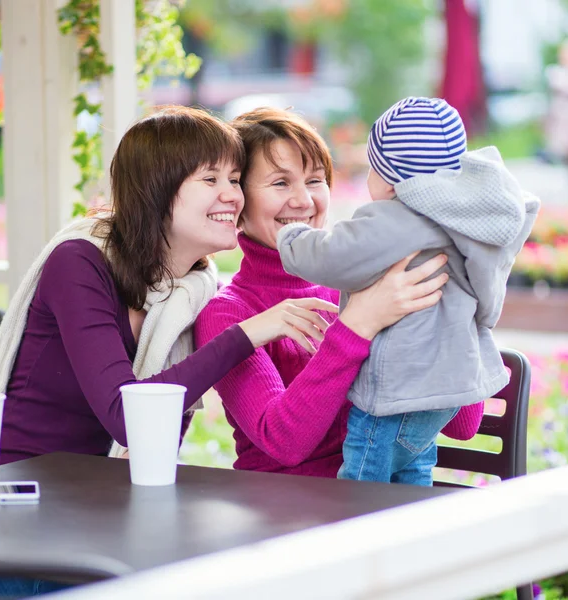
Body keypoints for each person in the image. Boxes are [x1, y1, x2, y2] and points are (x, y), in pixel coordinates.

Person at [0, 106, 339, 598]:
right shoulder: (79, 262)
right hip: (13, 514)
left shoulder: (194, 291)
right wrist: (247, 334)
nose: (231, 194)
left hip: (102, 512)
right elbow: (130, 418)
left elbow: (163, 440)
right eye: (211, 178)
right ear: (158, 189)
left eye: (234, 177)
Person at [195, 106, 482, 480]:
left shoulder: (376, 281)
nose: (303, 201)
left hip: (381, 506)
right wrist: (359, 324)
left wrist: (451, 302)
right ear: (238, 201)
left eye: (315, 181)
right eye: (280, 183)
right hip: (282, 513)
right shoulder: (228, 313)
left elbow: (463, 424)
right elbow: (284, 443)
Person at [277, 97, 540, 485]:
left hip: (396, 389)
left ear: (390, 177)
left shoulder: (399, 218)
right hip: (443, 393)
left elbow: (334, 255)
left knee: (362, 483)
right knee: (414, 470)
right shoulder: (466, 222)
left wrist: (292, 236)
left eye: (373, 166)